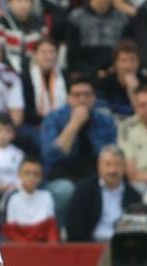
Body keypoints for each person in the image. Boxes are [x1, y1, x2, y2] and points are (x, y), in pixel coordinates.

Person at [40, 75, 118, 227]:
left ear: (94, 97)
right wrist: (73, 125)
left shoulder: (105, 121)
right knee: (65, 190)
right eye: (77, 95)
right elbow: (49, 156)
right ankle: (63, 231)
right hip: (60, 174)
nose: (82, 99)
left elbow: (112, 153)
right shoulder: (53, 119)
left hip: (94, 173)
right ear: (69, 98)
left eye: (87, 95)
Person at [66, 145, 142, 242]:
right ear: (99, 166)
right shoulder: (84, 191)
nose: (112, 170)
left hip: (123, 248)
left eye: (117, 164)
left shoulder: (134, 195)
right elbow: (73, 226)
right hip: (91, 247)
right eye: (107, 164)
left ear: (124, 167)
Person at [65, 0, 130, 79]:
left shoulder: (122, 17)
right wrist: (93, 72)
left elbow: (127, 48)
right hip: (85, 73)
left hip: (114, 72)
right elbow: (73, 55)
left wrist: (115, 67)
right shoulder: (76, 17)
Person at [0, 157, 58, 242]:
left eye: (36, 174)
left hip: (43, 248)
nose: (31, 177)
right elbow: (9, 231)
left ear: (41, 176)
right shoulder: (11, 197)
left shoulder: (47, 197)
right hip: (19, 249)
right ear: (19, 175)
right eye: (27, 173)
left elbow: (52, 231)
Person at [97, 39, 147, 119]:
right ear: (116, 64)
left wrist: (133, 92)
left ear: (138, 62)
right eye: (123, 61)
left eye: (132, 60)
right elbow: (102, 109)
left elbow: (146, 114)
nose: (128, 66)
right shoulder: (105, 83)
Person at [21, 37, 66, 128]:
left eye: (52, 52)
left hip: (62, 123)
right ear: (35, 54)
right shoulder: (25, 77)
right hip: (35, 125)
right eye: (43, 52)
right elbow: (25, 110)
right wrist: (47, 121)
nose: (48, 56)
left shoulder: (64, 76)